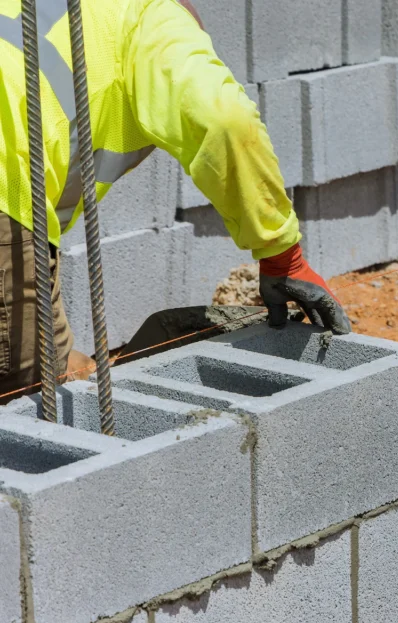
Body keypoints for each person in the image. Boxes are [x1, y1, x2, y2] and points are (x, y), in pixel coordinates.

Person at [0, 0, 349, 399]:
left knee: (55, 358)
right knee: (29, 398)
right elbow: (227, 122)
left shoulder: (74, 14)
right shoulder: (154, 20)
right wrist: (283, 258)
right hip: (7, 188)